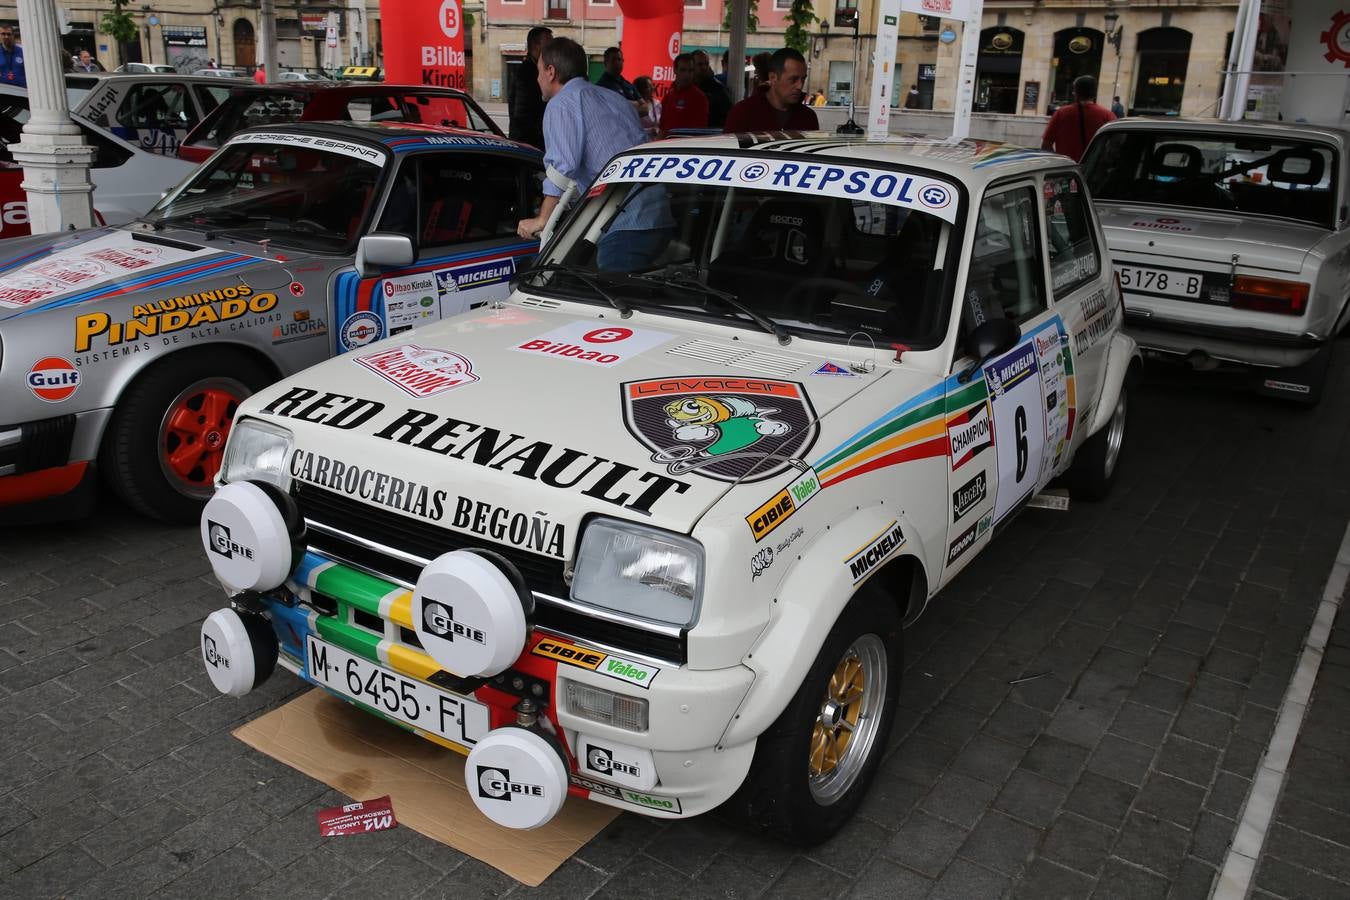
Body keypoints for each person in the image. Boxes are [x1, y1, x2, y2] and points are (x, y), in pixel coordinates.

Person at [515, 37, 672, 271]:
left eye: (538, 70)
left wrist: (542, 219)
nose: (537, 79)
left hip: (625, 223)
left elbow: (562, 167)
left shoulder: (562, 104)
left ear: (550, 71)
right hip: (658, 215)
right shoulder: (614, 98)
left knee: (605, 302)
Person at [723, 47, 818, 133]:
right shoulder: (743, 113)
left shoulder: (808, 117)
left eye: (803, 79)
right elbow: (726, 150)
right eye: (793, 79)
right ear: (773, 77)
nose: (800, 86)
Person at [1041, 75, 1115, 163]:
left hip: (1065, 171)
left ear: (1075, 92)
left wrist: (1057, 164)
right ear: (1095, 93)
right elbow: (1115, 146)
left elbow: (1046, 145)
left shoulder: (1061, 113)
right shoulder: (1108, 116)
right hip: (1091, 171)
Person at [509, 25, 552, 150]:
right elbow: (522, 115)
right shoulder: (526, 72)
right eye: (548, 42)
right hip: (529, 146)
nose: (552, 47)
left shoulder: (535, 69)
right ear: (536, 45)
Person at [659, 54, 709, 135]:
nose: (687, 75)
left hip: (685, 145)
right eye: (683, 70)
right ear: (675, 70)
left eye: (690, 71)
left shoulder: (699, 97)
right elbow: (663, 127)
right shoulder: (668, 97)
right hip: (667, 144)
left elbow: (700, 130)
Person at [692, 50, 731, 129]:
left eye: (706, 64)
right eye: (700, 64)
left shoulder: (718, 89)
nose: (704, 67)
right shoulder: (685, 87)